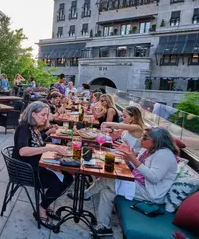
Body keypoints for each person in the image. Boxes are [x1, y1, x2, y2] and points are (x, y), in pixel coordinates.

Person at [85, 127, 178, 236]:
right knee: (107, 192)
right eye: (142, 136)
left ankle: (85, 194)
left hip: (151, 193)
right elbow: (138, 166)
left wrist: (133, 159)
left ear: (157, 141)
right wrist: (129, 157)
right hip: (139, 184)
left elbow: (154, 178)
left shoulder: (164, 155)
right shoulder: (148, 150)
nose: (141, 139)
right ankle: (103, 227)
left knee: (108, 179)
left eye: (145, 137)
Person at [13, 101, 73, 229]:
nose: (45, 118)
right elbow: (22, 151)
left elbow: (37, 142)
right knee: (61, 181)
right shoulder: (23, 127)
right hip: (25, 171)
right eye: (43, 115)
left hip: (36, 165)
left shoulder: (34, 128)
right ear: (33, 114)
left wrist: (49, 140)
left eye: (47, 115)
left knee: (67, 176)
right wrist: (47, 149)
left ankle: (47, 202)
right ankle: (41, 209)